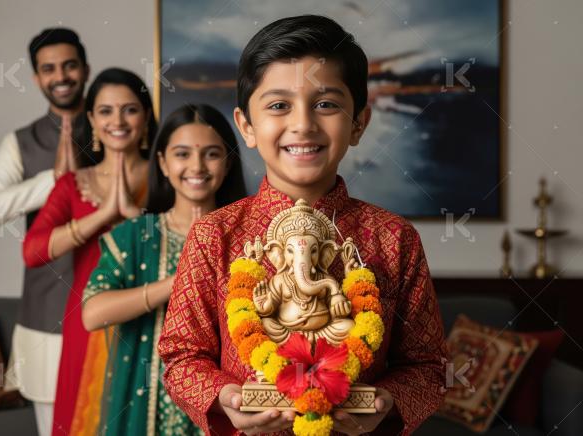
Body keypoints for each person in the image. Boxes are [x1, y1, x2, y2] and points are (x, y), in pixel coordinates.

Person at [158, 15, 448, 436]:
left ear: (359, 124)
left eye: (326, 104)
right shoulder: (215, 234)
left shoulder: (393, 238)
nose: (303, 124)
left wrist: (385, 402)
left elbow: (428, 367)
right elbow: (182, 356)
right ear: (247, 126)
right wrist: (227, 397)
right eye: (278, 105)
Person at [80, 104, 247, 435]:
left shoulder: (248, 237)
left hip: (227, 402)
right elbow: (91, 313)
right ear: (163, 163)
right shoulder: (135, 236)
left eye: (211, 154)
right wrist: (178, 283)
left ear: (228, 163)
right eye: (182, 154)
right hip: (143, 401)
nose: (196, 166)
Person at [22, 67, 157, 436]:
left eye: (129, 109)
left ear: (145, 116)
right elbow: (32, 252)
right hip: (88, 323)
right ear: (93, 122)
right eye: (106, 111)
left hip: (155, 320)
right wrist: (101, 217)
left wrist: (134, 218)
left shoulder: (169, 176)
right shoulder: (72, 185)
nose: (118, 120)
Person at [0, 27, 91, 435]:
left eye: (69, 65)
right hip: (46, 314)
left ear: (85, 69)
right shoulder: (20, 142)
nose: (61, 76)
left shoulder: (117, 125)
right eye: (49, 69)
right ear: (37, 78)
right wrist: (53, 183)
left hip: (110, 307)